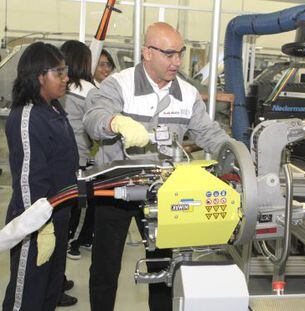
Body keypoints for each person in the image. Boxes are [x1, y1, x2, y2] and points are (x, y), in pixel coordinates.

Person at [83, 22, 230, 311]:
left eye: (181, 54)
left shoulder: (187, 95)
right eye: (169, 53)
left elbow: (210, 134)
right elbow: (93, 116)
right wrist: (115, 122)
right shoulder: (119, 84)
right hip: (117, 188)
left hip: (163, 192)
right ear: (147, 52)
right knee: (105, 265)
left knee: (163, 267)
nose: (177, 61)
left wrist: (238, 155)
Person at [2, 42, 79, 311]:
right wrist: (39, 226)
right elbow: (27, 181)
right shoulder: (27, 116)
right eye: (59, 72)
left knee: (49, 293)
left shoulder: (54, 109)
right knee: (27, 297)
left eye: (65, 70)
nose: (66, 77)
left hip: (57, 217)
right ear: (38, 76)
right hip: (35, 225)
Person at [60, 40, 96, 261]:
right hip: (79, 157)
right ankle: (70, 241)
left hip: (56, 156)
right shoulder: (89, 89)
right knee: (74, 207)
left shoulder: (57, 87)